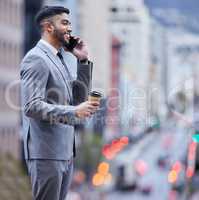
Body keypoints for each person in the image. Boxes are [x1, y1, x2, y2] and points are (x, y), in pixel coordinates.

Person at [20, 6, 99, 200]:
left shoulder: (60, 59)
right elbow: (32, 106)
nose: (69, 28)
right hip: (46, 154)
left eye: (69, 23)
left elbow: (78, 100)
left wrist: (82, 61)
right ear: (48, 27)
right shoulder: (36, 58)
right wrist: (74, 112)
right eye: (64, 23)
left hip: (63, 152)